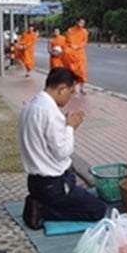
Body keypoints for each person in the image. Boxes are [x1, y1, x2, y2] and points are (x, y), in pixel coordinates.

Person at [19, 68, 106, 229]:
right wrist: (70, 127)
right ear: (61, 89)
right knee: (98, 210)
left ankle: (42, 202)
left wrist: (65, 127)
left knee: (73, 181)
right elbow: (62, 152)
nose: (71, 97)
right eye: (71, 92)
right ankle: (42, 210)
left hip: (35, 182)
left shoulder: (32, 104)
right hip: (51, 185)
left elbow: (47, 141)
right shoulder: (50, 112)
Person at [66, 18, 89, 94]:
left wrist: (78, 46)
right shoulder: (70, 31)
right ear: (77, 22)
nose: (82, 24)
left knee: (82, 71)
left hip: (80, 54)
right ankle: (74, 88)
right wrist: (72, 46)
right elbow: (68, 41)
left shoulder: (85, 32)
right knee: (73, 71)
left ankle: (82, 88)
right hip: (72, 53)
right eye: (81, 22)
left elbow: (85, 42)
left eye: (83, 23)